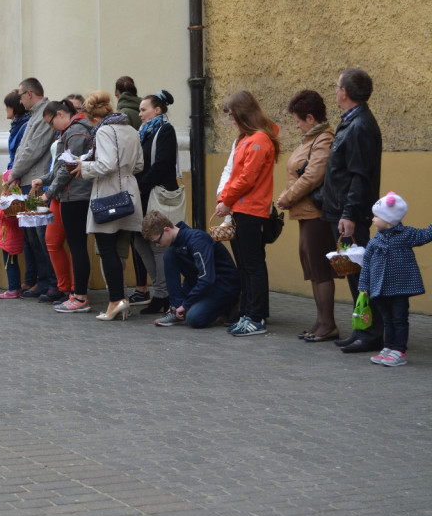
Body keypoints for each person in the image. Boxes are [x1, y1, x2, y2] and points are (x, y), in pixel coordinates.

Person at [322, 68, 384, 354]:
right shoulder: (352, 121)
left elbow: (359, 175)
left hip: (352, 213)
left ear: (344, 93)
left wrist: (348, 214)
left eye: (337, 87)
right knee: (355, 275)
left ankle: (372, 333)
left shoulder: (360, 126)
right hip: (344, 209)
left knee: (362, 276)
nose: (335, 91)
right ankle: (362, 328)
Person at [276, 90, 339, 342]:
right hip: (305, 213)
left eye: (299, 120)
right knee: (313, 268)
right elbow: (296, 174)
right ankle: (321, 322)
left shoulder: (323, 139)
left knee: (320, 269)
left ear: (311, 118)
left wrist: (287, 198)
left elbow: (313, 176)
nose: (297, 125)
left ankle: (328, 324)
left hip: (316, 214)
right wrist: (285, 195)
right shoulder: (310, 139)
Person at [216, 90, 279, 337]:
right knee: (245, 264)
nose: (231, 120)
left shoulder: (259, 139)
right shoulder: (248, 138)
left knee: (252, 264)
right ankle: (248, 312)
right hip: (242, 207)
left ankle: (256, 315)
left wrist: (226, 200)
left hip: (251, 209)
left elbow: (246, 178)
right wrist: (227, 200)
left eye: (233, 115)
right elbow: (236, 175)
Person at [78, 93, 144, 321]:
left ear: (93, 118)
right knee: (118, 250)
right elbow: (139, 164)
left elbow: (106, 164)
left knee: (107, 250)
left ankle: (116, 300)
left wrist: (83, 167)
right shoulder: (132, 130)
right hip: (129, 192)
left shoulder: (104, 131)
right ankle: (119, 300)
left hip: (108, 193)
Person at [31, 99, 95, 311]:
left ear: (60, 114)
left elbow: (68, 168)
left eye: (51, 123)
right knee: (75, 247)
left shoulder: (75, 132)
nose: (51, 128)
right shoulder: (71, 131)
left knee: (77, 248)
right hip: (72, 195)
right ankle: (75, 294)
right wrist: (45, 179)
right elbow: (60, 166)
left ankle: (80, 297)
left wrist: (49, 192)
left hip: (76, 196)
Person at [360, 192, 431, 367]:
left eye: (377, 216)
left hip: (400, 288)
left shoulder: (406, 234)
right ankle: (389, 347)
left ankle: (399, 350)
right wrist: (364, 285)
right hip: (380, 288)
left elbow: (425, 235)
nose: (373, 219)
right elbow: (366, 263)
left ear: (389, 220)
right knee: (387, 319)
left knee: (399, 319)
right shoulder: (375, 240)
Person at [144, 211, 242, 328]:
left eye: (157, 241)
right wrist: (179, 304)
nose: (157, 245)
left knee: (194, 318)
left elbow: (206, 278)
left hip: (223, 285)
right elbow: (192, 276)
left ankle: (229, 305)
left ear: (166, 230)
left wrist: (186, 304)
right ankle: (177, 310)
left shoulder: (197, 240)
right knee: (169, 254)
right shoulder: (177, 244)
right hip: (207, 285)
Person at [131, 90, 179, 315]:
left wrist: (140, 185)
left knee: (158, 244)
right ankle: (159, 290)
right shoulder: (144, 132)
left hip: (156, 193)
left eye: (143, 109)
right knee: (140, 241)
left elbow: (162, 165)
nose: (140, 114)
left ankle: (163, 295)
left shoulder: (165, 130)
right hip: (142, 194)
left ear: (157, 110)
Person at [8, 77, 57, 298]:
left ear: (29, 93)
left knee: (41, 235)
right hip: (27, 180)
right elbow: (23, 149)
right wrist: (16, 175)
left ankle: (51, 282)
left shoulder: (45, 113)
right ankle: (41, 280)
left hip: (37, 182)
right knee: (31, 236)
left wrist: (15, 174)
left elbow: (33, 150)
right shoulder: (34, 115)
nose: (19, 99)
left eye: (20, 94)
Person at [0, 171, 25, 299]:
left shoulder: (11, 198)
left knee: (10, 263)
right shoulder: (15, 196)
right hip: (10, 236)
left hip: (9, 237)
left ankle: (13, 288)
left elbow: (3, 215)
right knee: (11, 262)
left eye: (3, 181)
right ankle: (14, 287)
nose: (1, 183)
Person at [4, 89, 29, 170]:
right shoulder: (17, 126)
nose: (5, 109)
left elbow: (22, 155)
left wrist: (12, 173)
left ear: (14, 107)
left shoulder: (25, 126)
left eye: (7, 106)